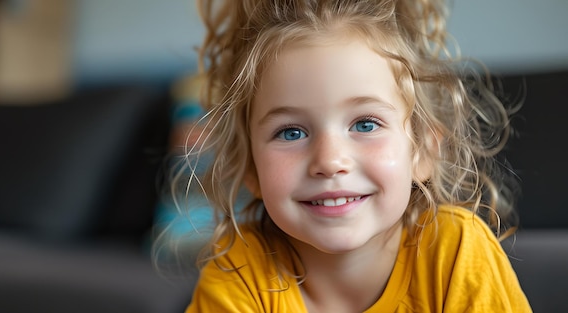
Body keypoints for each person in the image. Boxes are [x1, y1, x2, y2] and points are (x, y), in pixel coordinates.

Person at [176, 0, 532, 311]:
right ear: (250, 167)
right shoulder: (239, 271)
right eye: (291, 132)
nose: (330, 161)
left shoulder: (455, 254)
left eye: (365, 124)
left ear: (423, 150)